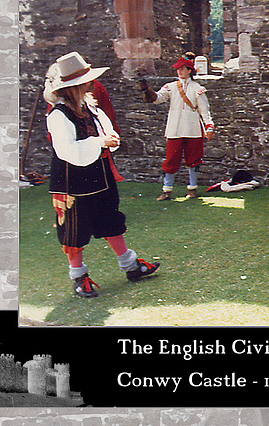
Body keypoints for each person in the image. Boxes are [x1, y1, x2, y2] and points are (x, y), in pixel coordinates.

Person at [43, 51, 160, 298]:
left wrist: (111, 141)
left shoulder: (91, 108)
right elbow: (68, 152)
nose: (90, 84)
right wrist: (100, 142)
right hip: (71, 179)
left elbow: (107, 133)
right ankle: (79, 277)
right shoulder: (58, 115)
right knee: (74, 229)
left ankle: (131, 266)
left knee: (110, 218)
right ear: (72, 86)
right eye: (85, 81)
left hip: (98, 172)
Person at [138, 55, 215, 200]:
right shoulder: (171, 87)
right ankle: (167, 190)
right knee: (171, 159)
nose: (179, 71)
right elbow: (157, 99)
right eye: (178, 69)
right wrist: (147, 90)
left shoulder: (197, 89)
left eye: (182, 68)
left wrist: (209, 126)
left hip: (193, 128)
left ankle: (192, 188)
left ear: (189, 70)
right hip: (175, 128)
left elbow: (204, 110)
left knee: (194, 159)